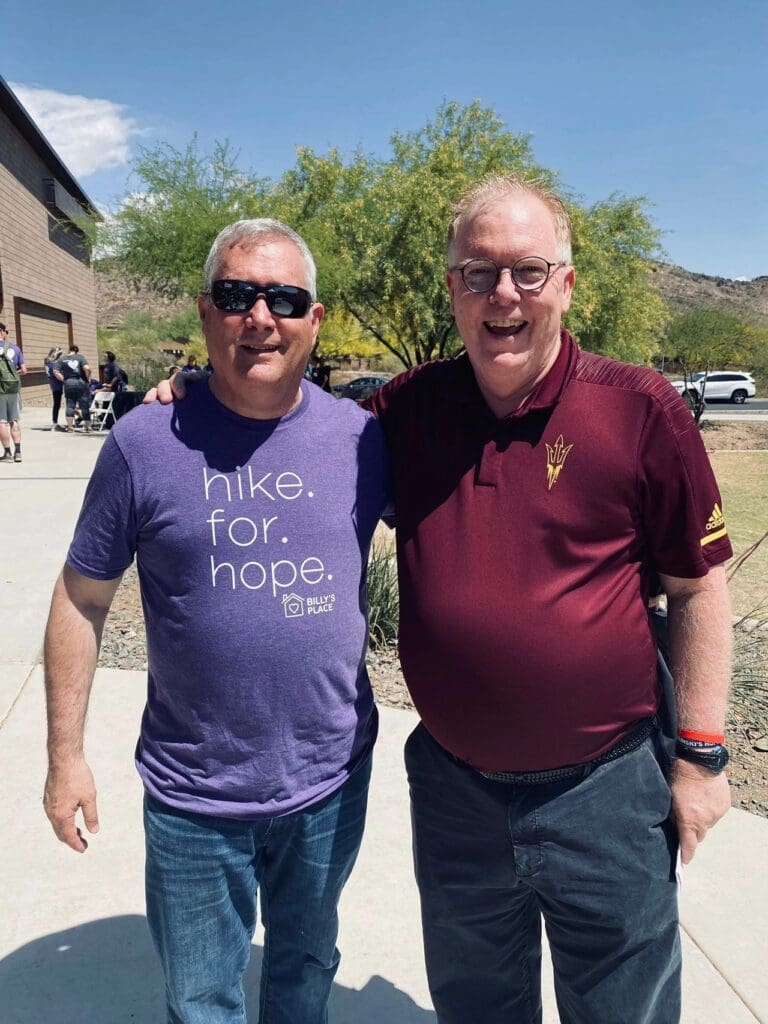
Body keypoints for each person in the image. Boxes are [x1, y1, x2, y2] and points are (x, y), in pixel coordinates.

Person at [153, 177, 734, 1024]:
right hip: (456, 794)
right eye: (477, 272)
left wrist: (701, 757)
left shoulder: (639, 411)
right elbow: (288, 417)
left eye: (528, 272)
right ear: (453, 288)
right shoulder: (405, 411)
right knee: (475, 1006)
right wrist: (200, 387)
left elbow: (698, 586)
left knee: (624, 1010)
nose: (503, 295)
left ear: (567, 284)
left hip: (605, 792)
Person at [43, 218, 389, 1024]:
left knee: (306, 973)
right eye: (236, 296)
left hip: (330, 781)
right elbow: (81, 597)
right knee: (201, 1001)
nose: (259, 316)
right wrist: (65, 757)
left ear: (315, 318)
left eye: (283, 298)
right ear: (205, 313)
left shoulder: (363, 439)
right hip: (195, 793)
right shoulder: (142, 442)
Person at [0, 321, 28, 462]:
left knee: (2, 422)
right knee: (14, 420)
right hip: (13, 389)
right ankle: (18, 452)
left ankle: (7, 453)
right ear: (2, 331)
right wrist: (12, 374)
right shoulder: (15, 348)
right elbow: (24, 370)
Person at [55, 345, 92, 432]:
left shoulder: (62, 359)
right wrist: (87, 377)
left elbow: (56, 372)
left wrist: (64, 380)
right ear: (76, 351)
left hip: (69, 384)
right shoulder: (80, 358)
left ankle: (70, 427)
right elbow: (87, 368)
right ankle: (87, 426)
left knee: (70, 405)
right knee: (84, 405)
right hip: (81, 383)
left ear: (69, 350)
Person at [44, 346, 66, 430]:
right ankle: (55, 423)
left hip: (54, 384)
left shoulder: (48, 361)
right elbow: (56, 373)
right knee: (57, 404)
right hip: (57, 384)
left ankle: (55, 422)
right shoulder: (52, 363)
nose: (60, 356)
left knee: (57, 404)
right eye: (59, 354)